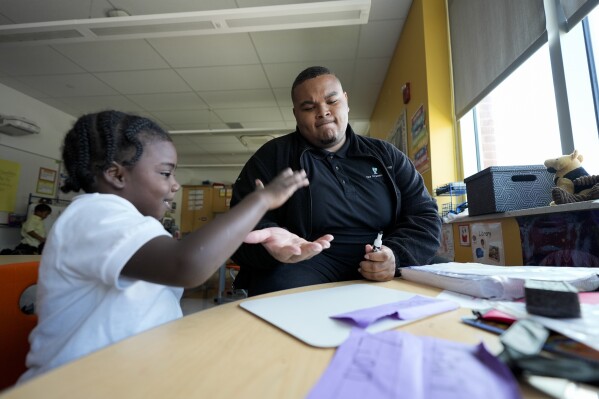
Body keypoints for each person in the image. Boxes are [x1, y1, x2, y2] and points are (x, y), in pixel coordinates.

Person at [19, 110, 312, 383]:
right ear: (117, 175)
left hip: (129, 375)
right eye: (165, 173)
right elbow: (186, 266)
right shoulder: (95, 215)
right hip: (74, 385)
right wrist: (258, 202)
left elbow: (169, 283)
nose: (175, 185)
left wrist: (253, 234)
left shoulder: (127, 223)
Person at [231, 66, 442, 296]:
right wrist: (271, 248)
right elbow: (240, 227)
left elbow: (425, 215)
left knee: (447, 286)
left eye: (331, 101)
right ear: (296, 114)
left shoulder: (387, 156)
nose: (322, 112)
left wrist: (397, 256)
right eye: (309, 107)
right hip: (306, 265)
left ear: (346, 101)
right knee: (273, 294)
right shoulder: (271, 157)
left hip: (385, 260)